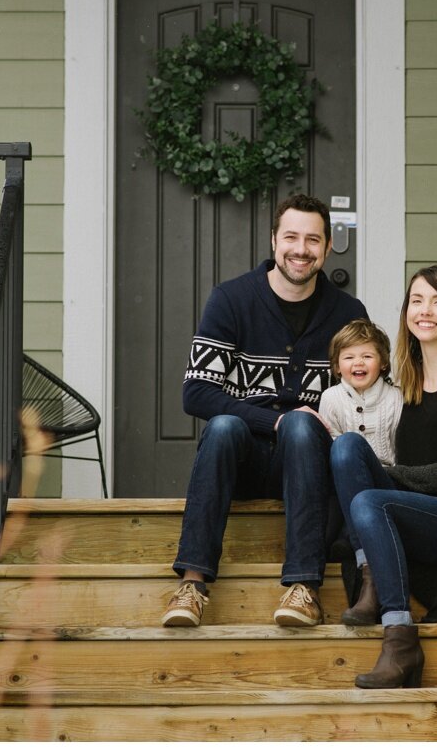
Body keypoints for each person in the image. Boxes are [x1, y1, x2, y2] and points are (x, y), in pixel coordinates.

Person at [161, 194, 367, 628]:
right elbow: (195, 393)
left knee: (299, 426)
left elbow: (364, 389)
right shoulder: (231, 300)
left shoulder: (348, 313)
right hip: (245, 462)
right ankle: (193, 585)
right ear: (274, 240)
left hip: (312, 463)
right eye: (291, 236)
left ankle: (304, 588)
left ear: (328, 248)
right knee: (221, 427)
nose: (301, 249)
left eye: (313, 239)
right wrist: (270, 419)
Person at [329, 265, 437, 689]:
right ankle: (370, 572)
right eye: (417, 300)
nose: (425, 311)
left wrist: (387, 477)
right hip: (409, 518)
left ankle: (401, 640)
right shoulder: (403, 386)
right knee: (347, 446)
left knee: (371, 499)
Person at [317, 318, 403, 466]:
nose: (358, 362)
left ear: (383, 362)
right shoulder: (331, 398)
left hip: (388, 476)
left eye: (367, 356)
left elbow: (403, 447)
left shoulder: (396, 397)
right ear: (337, 366)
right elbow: (329, 445)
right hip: (345, 474)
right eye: (349, 357)